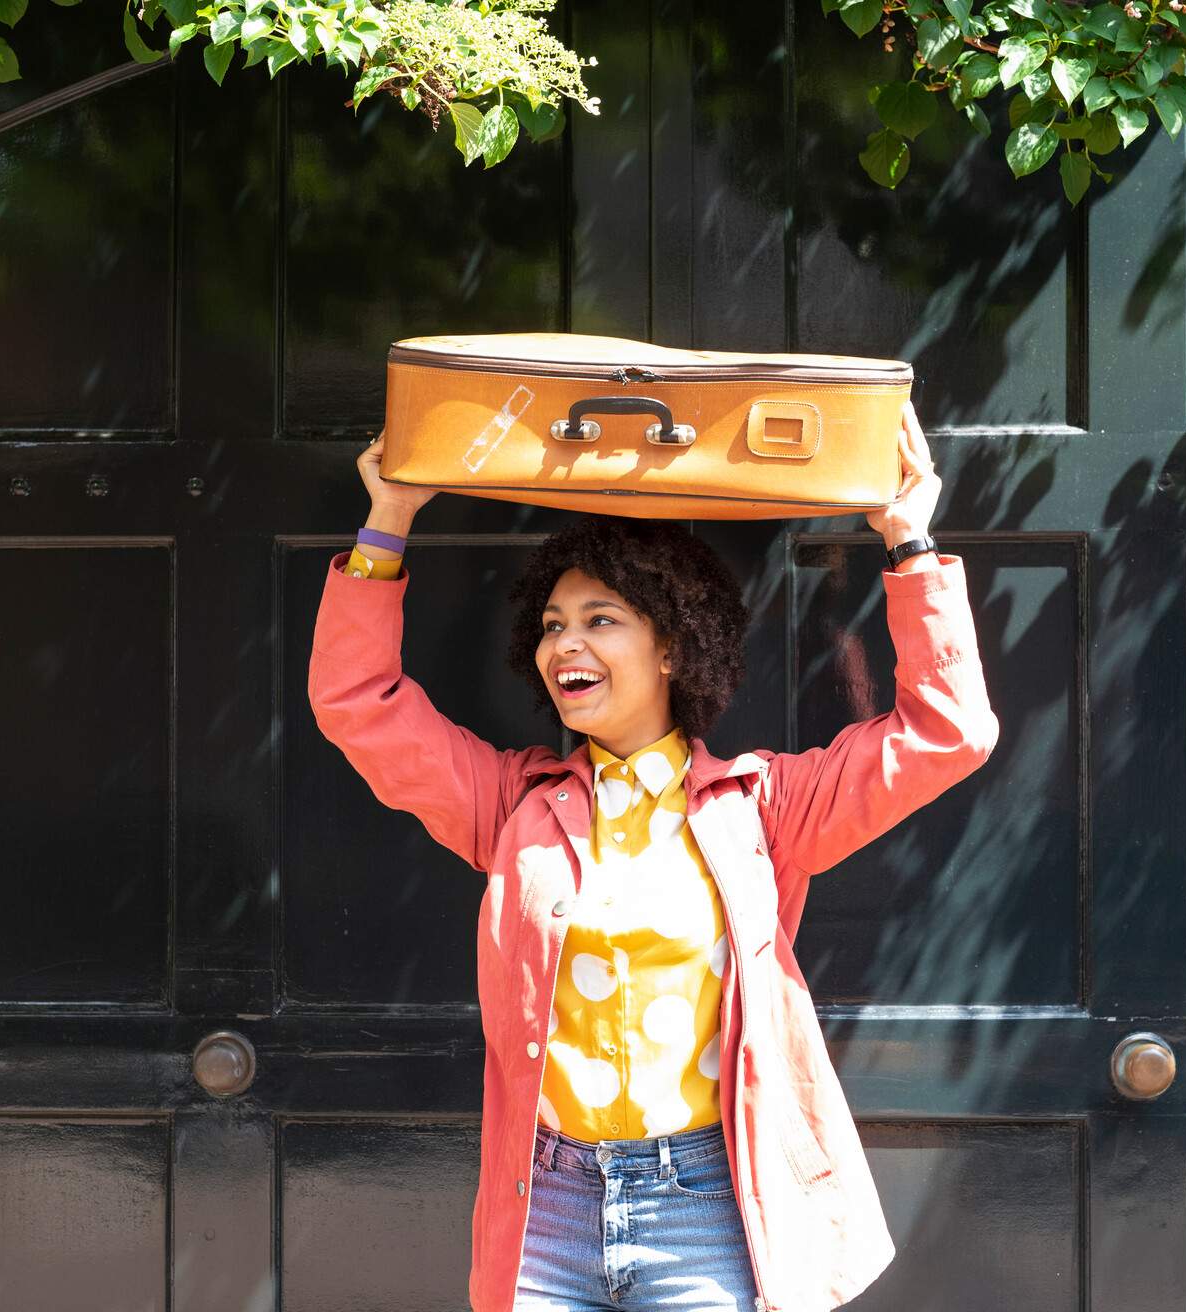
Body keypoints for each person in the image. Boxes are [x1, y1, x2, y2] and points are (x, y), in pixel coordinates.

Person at [307, 401, 999, 1312]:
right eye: (554, 624)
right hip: (545, 1209)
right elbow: (358, 701)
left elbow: (949, 732)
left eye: (602, 620)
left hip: (707, 1208)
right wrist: (387, 522)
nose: (567, 644)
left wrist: (909, 541)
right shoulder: (511, 805)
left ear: (671, 646)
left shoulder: (769, 808)